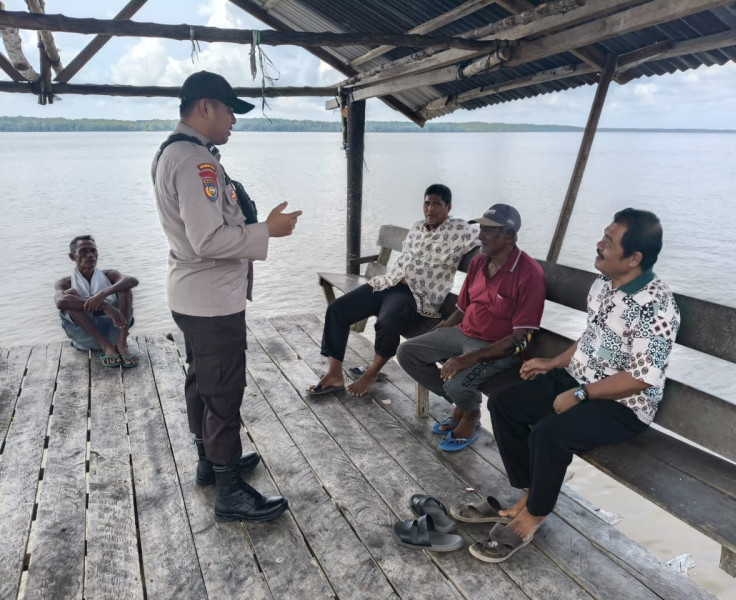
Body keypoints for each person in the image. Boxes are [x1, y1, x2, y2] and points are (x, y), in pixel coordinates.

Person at [466, 208, 680, 563]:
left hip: (624, 404)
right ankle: (532, 490)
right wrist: (553, 363)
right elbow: (592, 338)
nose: (599, 244)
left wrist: (582, 394)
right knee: (504, 405)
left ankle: (535, 514)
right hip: (580, 380)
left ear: (634, 258)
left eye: (609, 242)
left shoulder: (657, 305)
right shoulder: (603, 285)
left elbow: (642, 378)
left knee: (549, 434)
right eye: (603, 235)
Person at [152, 70, 301, 523]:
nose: (234, 119)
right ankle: (230, 492)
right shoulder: (195, 162)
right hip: (212, 301)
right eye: (229, 110)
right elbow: (207, 240)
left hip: (194, 296)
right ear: (205, 107)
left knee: (203, 381)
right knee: (223, 393)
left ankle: (211, 464)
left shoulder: (176, 153)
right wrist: (266, 231)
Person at [397, 204, 546, 452]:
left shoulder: (529, 274)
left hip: (494, 346)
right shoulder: (479, 262)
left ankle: (470, 413)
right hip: (463, 332)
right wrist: (439, 330)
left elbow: (520, 338)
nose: (480, 235)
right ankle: (461, 403)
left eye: (489, 231)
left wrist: (467, 360)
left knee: (456, 383)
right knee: (408, 353)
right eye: (481, 229)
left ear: (509, 236)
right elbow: (463, 308)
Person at [309, 184, 479, 398]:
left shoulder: (461, 230)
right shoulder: (418, 227)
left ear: (449, 206)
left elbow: (489, 238)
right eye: (427, 203)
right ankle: (334, 375)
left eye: (436, 204)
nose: (430, 209)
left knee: (388, 321)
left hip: (415, 295)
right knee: (337, 310)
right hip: (387, 283)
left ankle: (372, 372)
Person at [54, 235, 139, 368]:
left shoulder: (109, 275)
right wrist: (104, 305)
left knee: (125, 288)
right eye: (83, 251)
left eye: (93, 251)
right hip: (87, 336)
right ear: (72, 257)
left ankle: (122, 344)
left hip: (115, 330)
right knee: (70, 295)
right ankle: (106, 346)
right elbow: (60, 301)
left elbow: (132, 281)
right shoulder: (65, 282)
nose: (90, 255)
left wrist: (103, 294)